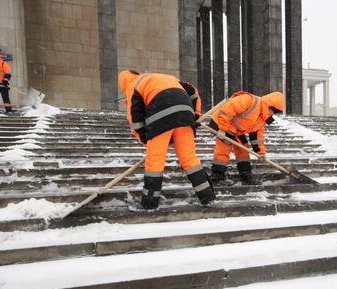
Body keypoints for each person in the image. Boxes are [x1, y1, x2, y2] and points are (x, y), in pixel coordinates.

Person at [118, 70, 216, 210]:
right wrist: (194, 115)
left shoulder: (133, 86)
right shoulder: (162, 78)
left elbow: (135, 117)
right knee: (189, 159)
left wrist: (145, 138)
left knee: (155, 160)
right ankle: (207, 197)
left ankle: (149, 203)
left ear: (124, 83)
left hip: (160, 115)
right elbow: (191, 90)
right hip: (184, 113)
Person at [208, 90, 284, 185]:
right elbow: (227, 110)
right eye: (273, 110)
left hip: (236, 129)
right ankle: (217, 177)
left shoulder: (262, 117)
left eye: (275, 112)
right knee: (224, 147)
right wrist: (222, 129)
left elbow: (256, 135)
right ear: (269, 105)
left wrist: (260, 152)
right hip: (222, 122)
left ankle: (246, 174)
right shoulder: (250, 100)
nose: (273, 113)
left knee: (243, 148)